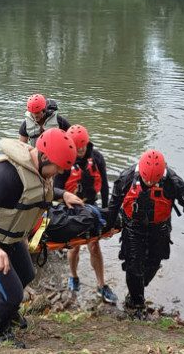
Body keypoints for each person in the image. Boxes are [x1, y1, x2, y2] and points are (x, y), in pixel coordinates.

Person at [0, 128, 83, 348]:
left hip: (9, 237)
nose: (57, 173)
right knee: (14, 294)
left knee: (27, 274)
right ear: (44, 156)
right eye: (57, 168)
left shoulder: (39, 169)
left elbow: (38, 191)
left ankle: (7, 311)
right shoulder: (6, 173)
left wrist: (62, 194)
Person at [109, 149, 184, 319]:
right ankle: (136, 305)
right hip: (133, 227)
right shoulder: (127, 177)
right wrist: (109, 225)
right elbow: (113, 204)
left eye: (154, 181)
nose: (150, 183)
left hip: (159, 228)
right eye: (146, 180)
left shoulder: (172, 181)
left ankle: (136, 291)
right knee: (133, 265)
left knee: (153, 263)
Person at [54, 124, 116, 303]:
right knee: (74, 247)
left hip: (91, 205)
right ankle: (73, 276)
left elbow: (104, 186)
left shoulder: (97, 158)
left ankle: (101, 285)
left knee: (95, 246)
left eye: (82, 146)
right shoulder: (64, 162)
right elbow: (55, 189)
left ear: (87, 143)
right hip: (71, 209)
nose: (80, 150)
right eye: (76, 147)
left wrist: (107, 214)